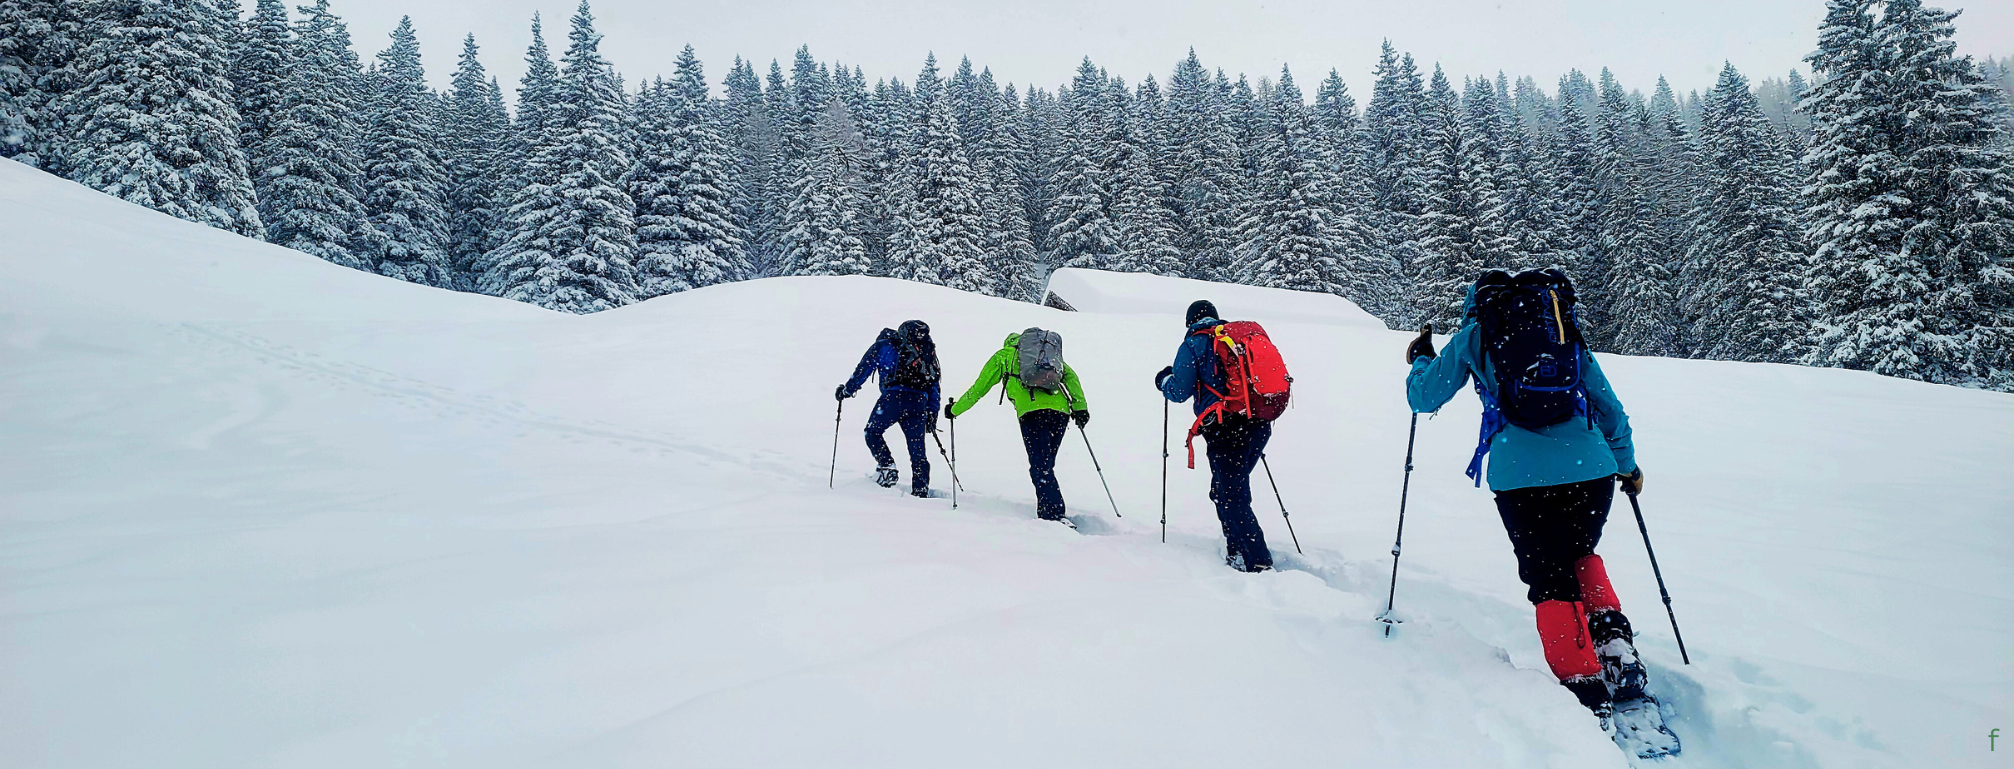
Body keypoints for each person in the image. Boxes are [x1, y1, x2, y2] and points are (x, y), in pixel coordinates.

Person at [1403, 270, 1650, 722]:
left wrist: (1421, 358)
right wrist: (1626, 465)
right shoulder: (1562, 330)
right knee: (1579, 554)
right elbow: (1608, 405)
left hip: (1521, 476)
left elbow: (1423, 397)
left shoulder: (1474, 336)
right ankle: (1614, 643)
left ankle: (1583, 685)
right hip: (1590, 468)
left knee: (1548, 578)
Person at [1155, 300, 1273, 573]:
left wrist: (1163, 380)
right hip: (1258, 423)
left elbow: (1179, 391)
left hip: (1224, 427)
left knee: (1232, 495)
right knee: (1224, 491)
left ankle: (1258, 562)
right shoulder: (1237, 338)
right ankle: (1236, 548)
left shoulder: (1194, 344)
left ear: (1190, 322)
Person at [944, 331, 1088, 523]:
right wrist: (1080, 408)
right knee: (1045, 464)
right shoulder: (1047, 355)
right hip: (1060, 413)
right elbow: (1070, 377)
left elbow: (979, 388)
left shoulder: (1003, 356)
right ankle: (1051, 510)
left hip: (1032, 413)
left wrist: (955, 410)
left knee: (1040, 466)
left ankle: (1053, 516)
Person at [837, 320, 941, 498]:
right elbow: (934, 384)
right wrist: (932, 413)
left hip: (893, 398)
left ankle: (887, 466)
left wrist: (847, 390)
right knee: (917, 450)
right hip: (919, 402)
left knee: (872, 432)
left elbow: (863, 369)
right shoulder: (925, 351)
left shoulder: (883, 346)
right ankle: (921, 490)